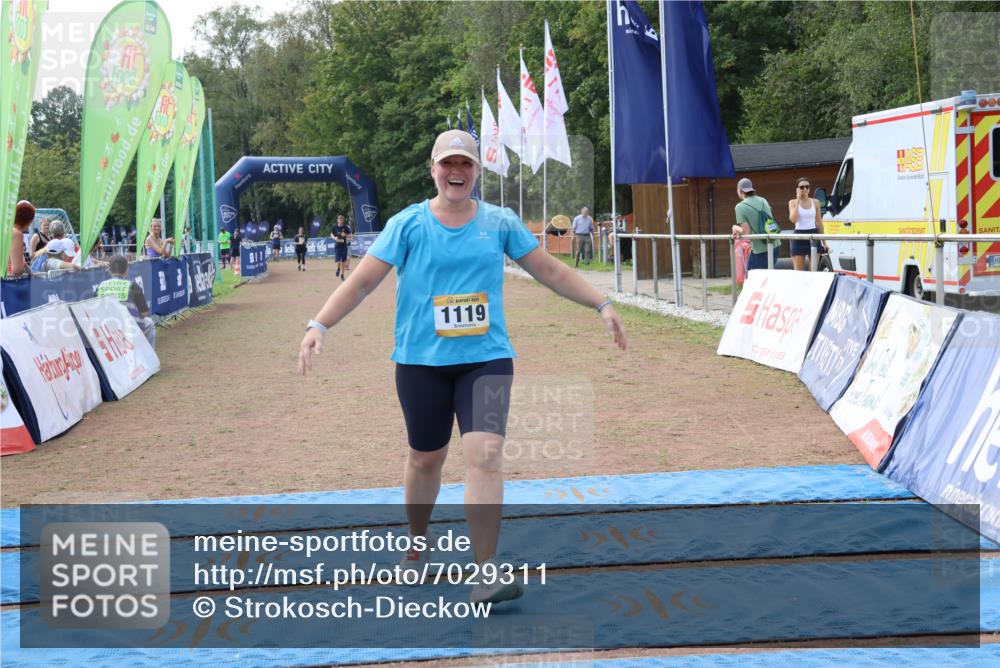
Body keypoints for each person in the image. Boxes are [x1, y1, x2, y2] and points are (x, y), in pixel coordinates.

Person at [298, 130, 628, 605]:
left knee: (486, 455)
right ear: (433, 169)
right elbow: (364, 282)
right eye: (448, 164)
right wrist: (319, 324)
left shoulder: (499, 222)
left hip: (487, 360)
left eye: (466, 164)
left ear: (477, 171)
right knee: (425, 458)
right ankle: (416, 541)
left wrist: (602, 304)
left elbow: (550, 270)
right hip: (421, 363)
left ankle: (486, 570)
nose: (457, 172)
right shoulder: (407, 225)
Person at [97, 255, 155, 347]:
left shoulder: (100, 286)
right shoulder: (132, 285)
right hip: (129, 329)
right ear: (126, 270)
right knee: (149, 323)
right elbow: (144, 313)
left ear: (110, 270)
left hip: (106, 328)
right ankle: (148, 356)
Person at [731, 177, 779, 271]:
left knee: (752, 278)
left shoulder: (740, 207)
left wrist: (735, 228)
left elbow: (746, 232)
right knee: (767, 278)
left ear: (740, 190)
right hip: (775, 245)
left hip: (760, 249)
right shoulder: (763, 200)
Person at [788, 177, 828, 271]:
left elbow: (819, 223)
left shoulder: (815, 202)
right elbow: (793, 219)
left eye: (807, 186)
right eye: (802, 187)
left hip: (813, 235)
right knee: (799, 272)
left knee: (813, 271)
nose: (805, 189)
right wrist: (798, 200)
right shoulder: (792, 202)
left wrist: (824, 242)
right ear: (797, 189)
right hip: (799, 236)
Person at [8, 200, 34, 276]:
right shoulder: (16, 234)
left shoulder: (6, 231)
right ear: (29, 220)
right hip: (6, 283)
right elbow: (17, 270)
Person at [331, 214, 351, 280]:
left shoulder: (345, 227)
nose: (340, 221)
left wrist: (345, 235)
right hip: (337, 247)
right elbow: (331, 234)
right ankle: (338, 268)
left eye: (341, 220)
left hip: (344, 247)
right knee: (338, 261)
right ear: (337, 220)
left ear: (343, 221)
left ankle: (342, 275)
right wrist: (334, 238)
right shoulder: (335, 227)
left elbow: (351, 236)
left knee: (344, 262)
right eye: (339, 219)